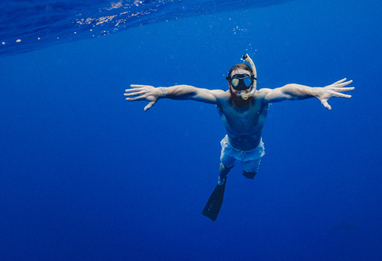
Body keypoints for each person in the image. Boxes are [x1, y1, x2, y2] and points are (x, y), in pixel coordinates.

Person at [124, 54, 354, 221]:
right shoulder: (222, 99)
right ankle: (221, 181)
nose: (240, 86)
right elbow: (191, 91)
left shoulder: (262, 97)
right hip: (231, 146)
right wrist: (161, 92)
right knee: (223, 170)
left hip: (254, 150)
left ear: (252, 82)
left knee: (249, 174)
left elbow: (288, 90)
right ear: (229, 83)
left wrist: (316, 92)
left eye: (245, 81)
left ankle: (244, 172)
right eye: (236, 81)